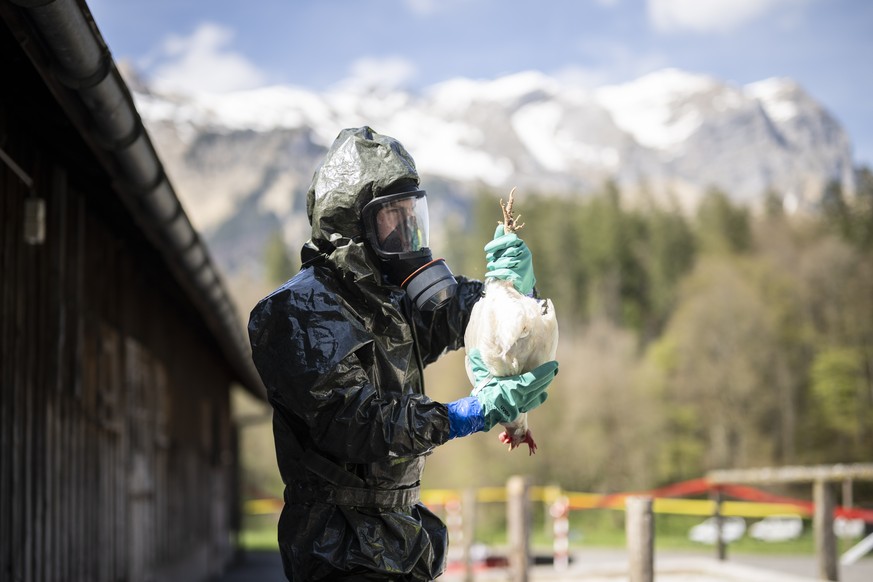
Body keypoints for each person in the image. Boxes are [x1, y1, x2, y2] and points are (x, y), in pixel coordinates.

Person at [248, 127, 558, 581]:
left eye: (412, 212)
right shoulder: (298, 312)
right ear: (353, 226)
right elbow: (356, 423)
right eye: (392, 216)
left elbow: (465, 317)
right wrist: (462, 415)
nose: (408, 230)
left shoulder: (391, 302)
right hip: (339, 549)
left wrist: (510, 292)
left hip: (405, 538)